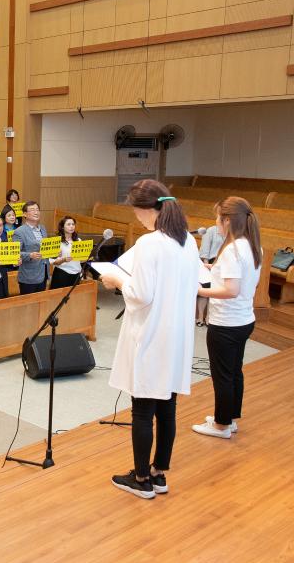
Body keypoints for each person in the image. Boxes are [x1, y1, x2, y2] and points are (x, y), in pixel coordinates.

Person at [100, 180, 199, 499]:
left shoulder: (150, 243)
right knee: (166, 406)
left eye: (135, 210)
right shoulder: (187, 242)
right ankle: (158, 474)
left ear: (147, 209)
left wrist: (115, 279)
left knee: (142, 410)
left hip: (152, 334)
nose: (136, 217)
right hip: (176, 335)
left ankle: (141, 479)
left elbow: (141, 294)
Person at [192, 197, 262, 439]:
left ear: (228, 220)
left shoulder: (232, 249)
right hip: (244, 320)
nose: (215, 223)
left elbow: (231, 290)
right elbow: (238, 281)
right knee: (234, 372)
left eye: (217, 218)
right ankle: (229, 419)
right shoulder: (251, 245)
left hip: (226, 323)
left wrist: (198, 290)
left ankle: (221, 426)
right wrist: (215, 270)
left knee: (222, 375)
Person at [12, 201, 48, 295]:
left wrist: (55, 252)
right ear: (25, 214)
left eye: (37, 210)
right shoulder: (19, 231)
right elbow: (14, 253)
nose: (36, 212)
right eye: (32, 210)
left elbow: (45, 248)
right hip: (28, 276)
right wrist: (30, 255)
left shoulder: (43, 228)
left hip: (43, 273)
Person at [196, 224, 225, 326]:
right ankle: (200, 317)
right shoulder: (211, 230)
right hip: (209, 262)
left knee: (215, 290)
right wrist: (206, 265)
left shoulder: (230, 232)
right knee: (205, 290)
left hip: (222, 263)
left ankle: (209, 317)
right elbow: (205, 249)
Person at [49, 216, 83, 289]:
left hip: (76, 273)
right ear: (62, 227)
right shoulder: (56, 241)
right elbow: (52, 261)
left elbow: (80, 260)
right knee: (58, 298)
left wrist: (87, 257)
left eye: (73, 224)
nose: (71, 226)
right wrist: (63, 260)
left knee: (74, 298)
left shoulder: (78, 240)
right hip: (62, 274)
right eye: (68, 224)